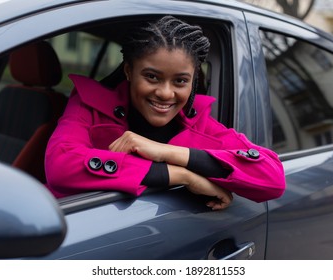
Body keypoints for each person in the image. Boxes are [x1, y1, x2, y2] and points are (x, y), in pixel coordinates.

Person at [45, 15, 285, 210]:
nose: (165, 93)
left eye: (180, 81)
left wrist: (167, 152)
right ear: (129, 70)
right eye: (151, 77)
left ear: (193, 81)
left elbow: (273, 179)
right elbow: (60, 165)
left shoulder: (200, 125)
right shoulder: (89, 105)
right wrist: (182, 176)